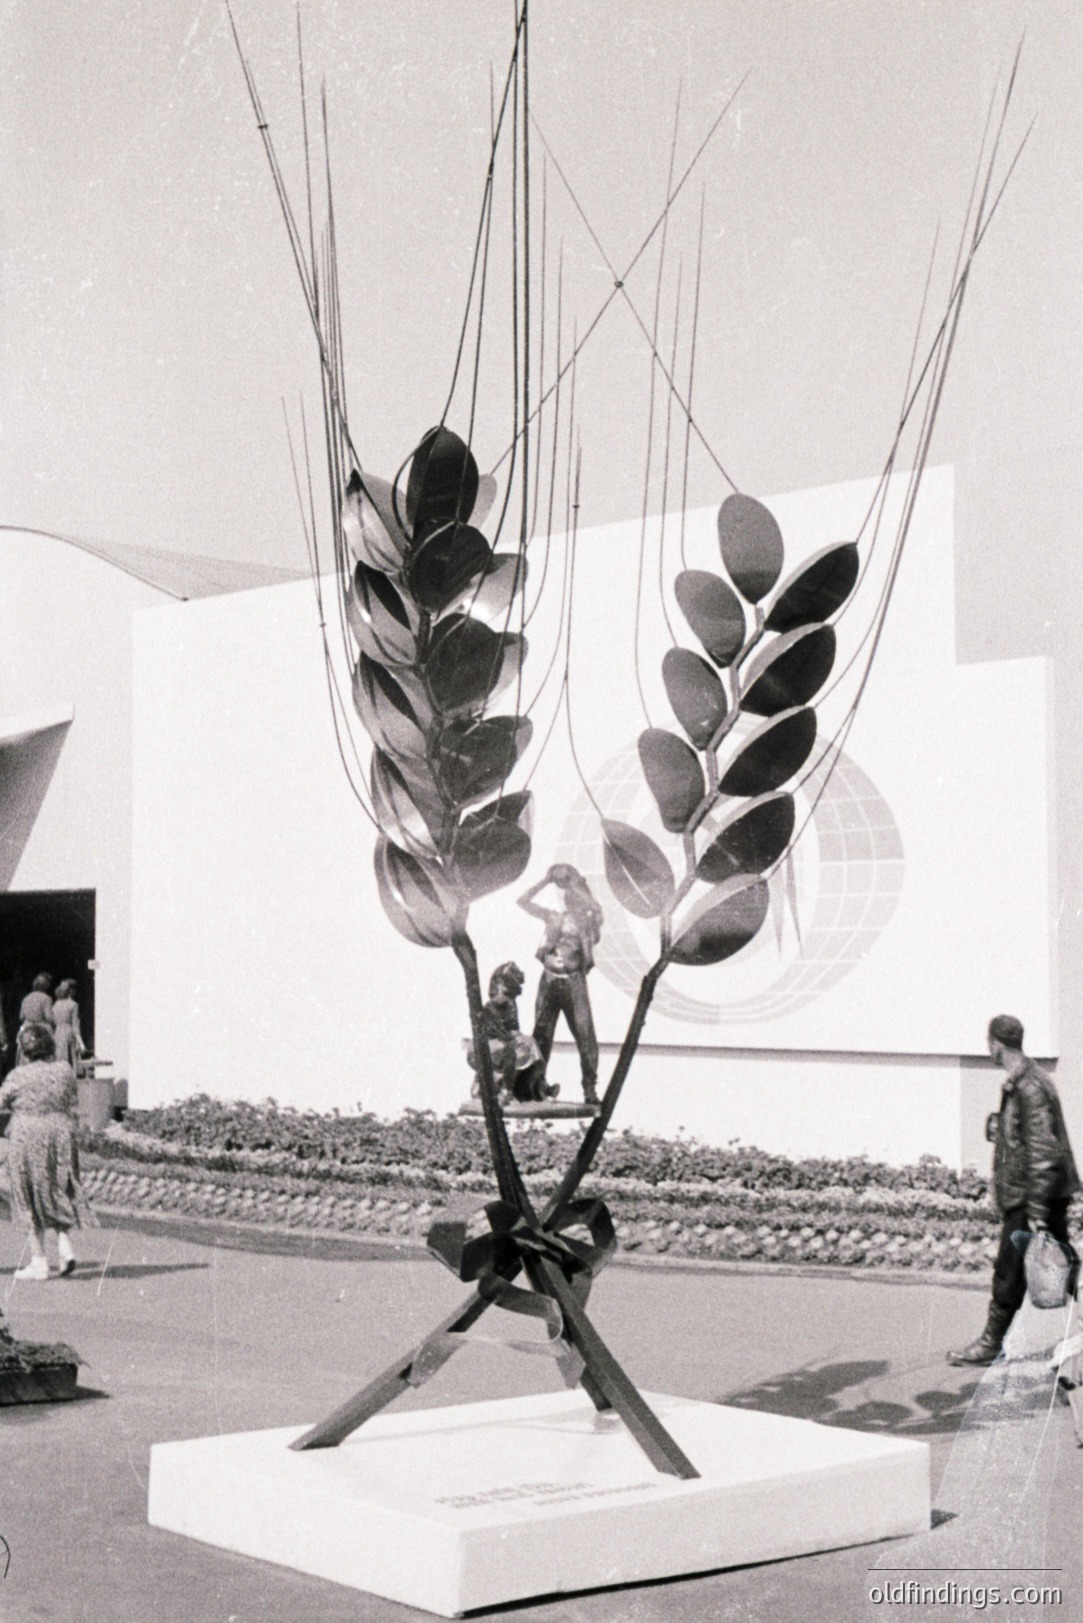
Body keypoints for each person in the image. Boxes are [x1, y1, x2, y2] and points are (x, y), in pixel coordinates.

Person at [948, 1014, 1080, 1365]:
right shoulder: (1026, 1080)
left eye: (988, 1043)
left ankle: (991, 1343)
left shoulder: (1029, 1086)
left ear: (996, 1044)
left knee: (1009, 1272)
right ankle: (992, 1342)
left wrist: (1036, 1211)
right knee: (1063, 1267)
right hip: (1037, 1194)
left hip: (1031, 1197)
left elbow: (1044, 1151)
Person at [0, 1022, 92, 1281]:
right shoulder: (65, 1071)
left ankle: (39, 1261)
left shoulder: (18, 1075)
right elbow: (70, 1098)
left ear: (25, 1050)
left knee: (27, 1193)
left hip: (27, 1135)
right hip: (61, 1134)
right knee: (58, 1189)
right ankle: (64, 1246)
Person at [518, 864, 604, 1107]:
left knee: (586, 1037)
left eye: (577, 895)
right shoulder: (554, 917)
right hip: (549, 981)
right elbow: (522, 901)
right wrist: (546, 880)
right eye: (570, 894)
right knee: (541, 1037)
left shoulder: (589, 924)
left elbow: (597, 909)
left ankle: (589, 1088)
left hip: (574, 983)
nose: (574, 898)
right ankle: (537, 1086)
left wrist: (576, 884)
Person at [467, 962, 553, 1104]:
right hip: (487, 1047)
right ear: (497, 988)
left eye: (511, 995)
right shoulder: (489, 1009)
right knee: (511, 1052)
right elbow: (495, 1035)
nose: (508, 998)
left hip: (505, 1044)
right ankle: (504, 1089)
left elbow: (513, 1028)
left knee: (530, 1045)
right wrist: (512, 1038)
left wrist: (519, 1036)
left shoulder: (511, 1005)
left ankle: (539, 1083)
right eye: (506, 993)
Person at [52, 980, 88, 1076]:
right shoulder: (73, 1004)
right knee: (71, 1059)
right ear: (71, 991)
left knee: (60, 1058)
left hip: (58, 1033)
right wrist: (81, 1043)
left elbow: (53, 1022)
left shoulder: (55, 1005)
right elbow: (75, 1025)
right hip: (68, 1032)